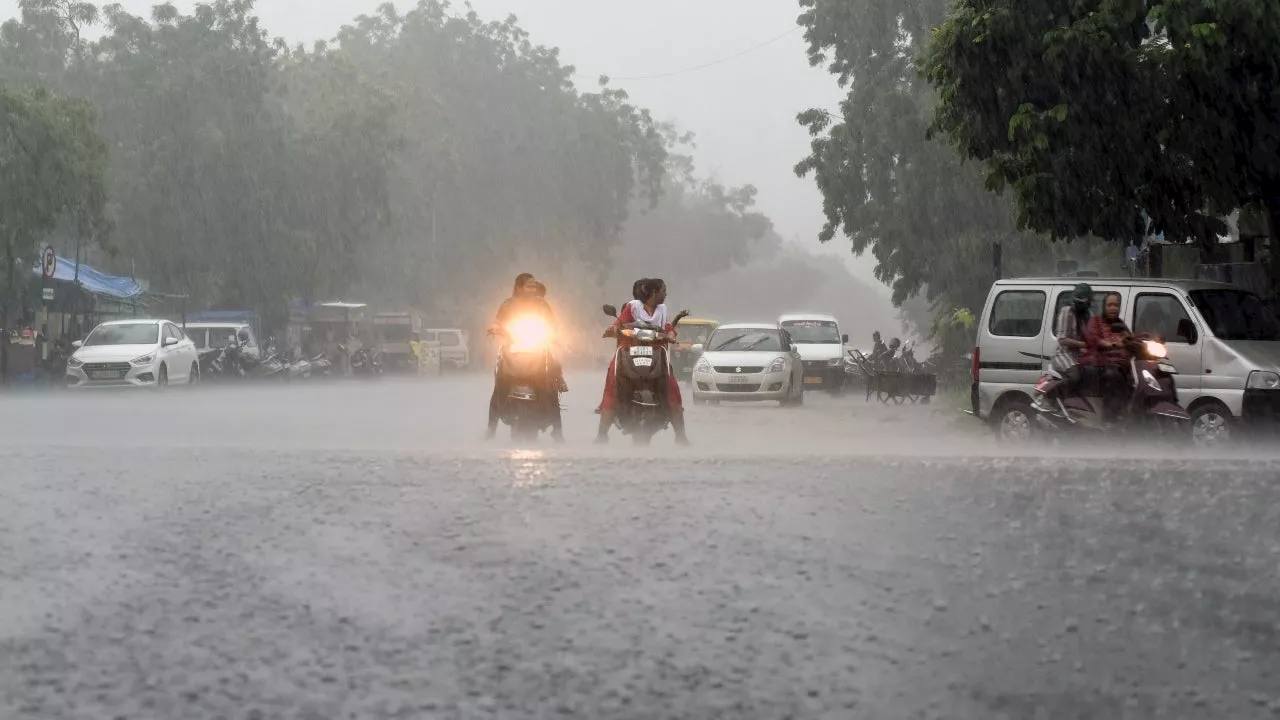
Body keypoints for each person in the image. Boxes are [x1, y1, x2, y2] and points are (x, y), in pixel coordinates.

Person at [596, 278, 689, 445]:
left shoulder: (662, 310)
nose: (665, 294)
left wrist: (671, 335)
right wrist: (614, 329)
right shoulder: (632, 307)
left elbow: (668, 328)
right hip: (628, 351)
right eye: (663, 291)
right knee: (613, 384)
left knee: (672, 388)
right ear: (653, 293)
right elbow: (618, 323)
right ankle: (601, 434)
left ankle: (680, 435)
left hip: (656, 354)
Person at [487, 273, 566, 441]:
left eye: (533, 286)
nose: (532, 289)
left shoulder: (542, 304)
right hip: (511, 347)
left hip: (538, 347)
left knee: (552, 379)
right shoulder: (508, 304)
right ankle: (490, 430)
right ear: (518, 287)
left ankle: (557, 431)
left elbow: (552, 324)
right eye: (528, 286)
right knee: (499, 384)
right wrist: (494, 328)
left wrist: (554, 334)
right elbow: (497, 322)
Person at [1037, 283, 1092, 414]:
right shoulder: (1067, 311)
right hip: (1064, 354)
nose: (1080, 302)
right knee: (1074, 376)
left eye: (1083, 299)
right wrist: (1082, 344)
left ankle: (1076, 407)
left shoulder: (1088, 314)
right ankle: (1049, 397)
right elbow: (1062, 339)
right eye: (1078, 299)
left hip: (1080, 355)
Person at [1083, 291, 1132, 423]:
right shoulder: (1096, 321)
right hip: (1100, 364)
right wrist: (1109, 344)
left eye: (1116, 305)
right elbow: (1092, 338)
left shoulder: (1120, 324)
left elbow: (1131, 338)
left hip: (1122, 366)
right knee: (1113, 376)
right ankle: (1109, 420)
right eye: (1109, 305)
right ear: (1104, 306)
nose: (1113, 308)